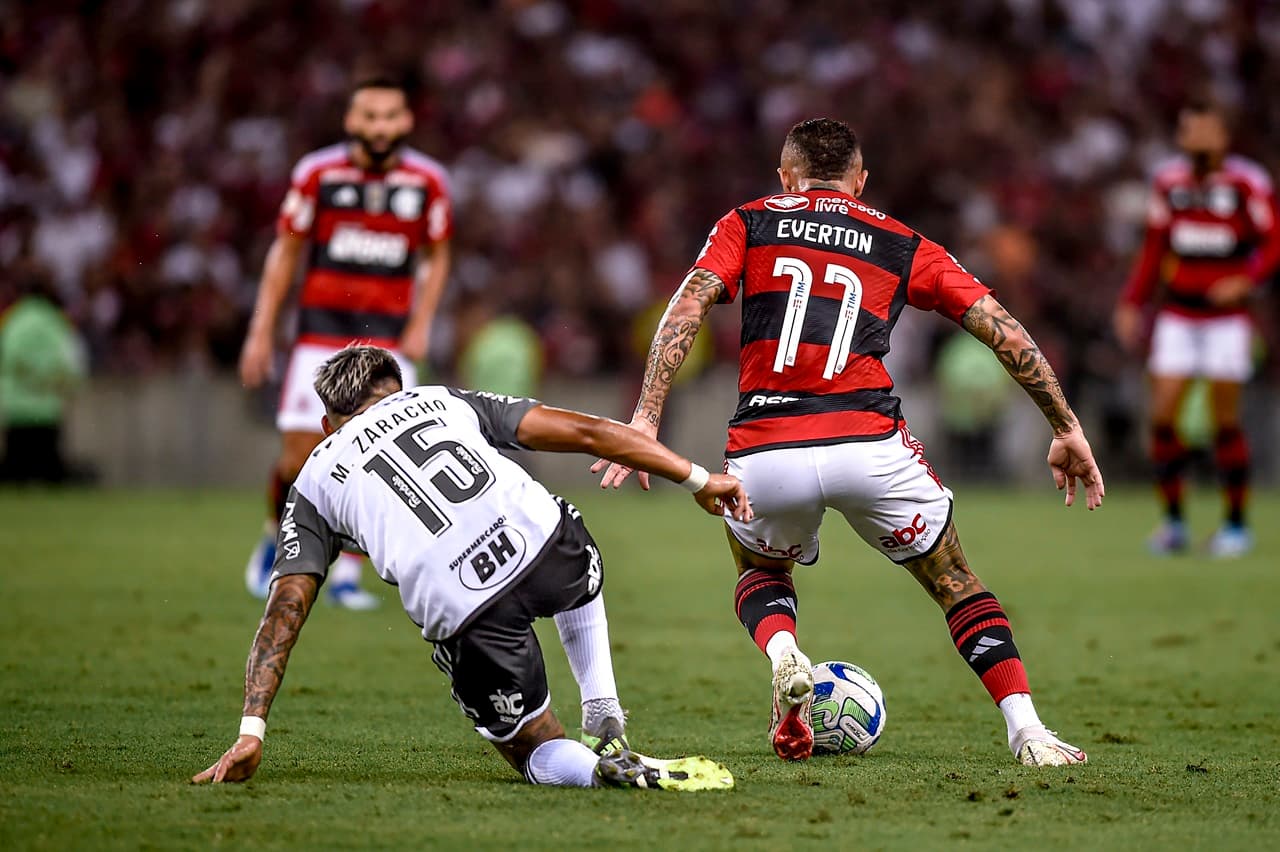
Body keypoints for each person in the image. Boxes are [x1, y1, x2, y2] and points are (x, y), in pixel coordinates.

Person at [594, 118, 1105, 767]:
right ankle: (1029, 731)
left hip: (766, 448)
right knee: (955, 581)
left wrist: (645, 416)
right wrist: (1065, 425)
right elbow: (999, 328)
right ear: (860, 182)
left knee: (761, 570)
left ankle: (784, 655)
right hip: (869, 445)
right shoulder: (898, 239)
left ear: (786, 176)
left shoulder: (748, 221)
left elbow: (689, 305)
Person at [194, 345, 746, 790]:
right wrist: (697, 478)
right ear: (397, 392)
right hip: (545, 548)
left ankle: (594, 766)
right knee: (570, 531)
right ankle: (603, 708)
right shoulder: (440, 400)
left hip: (462, 605)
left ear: (326, 423)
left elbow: (286, 606)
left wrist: (251, 729)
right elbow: (587, 433)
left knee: (532, 749)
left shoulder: (313, 478)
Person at [238, 76, 454, 608]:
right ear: (352, 121)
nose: (379, 127)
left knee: (382, 456)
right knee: (297, 458)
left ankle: (348, 578)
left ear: (405, 122)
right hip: (320, 333)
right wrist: (260, 331)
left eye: (389, 117)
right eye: (369, 116)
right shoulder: (318, 174)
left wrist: (424, 320)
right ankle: (275, 536)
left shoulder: (428, 181)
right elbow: (285, 251)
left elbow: (438, 255)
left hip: (388, 340)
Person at [1114, 98, 1280, 558]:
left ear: (1223, 136)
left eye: (1203, 129)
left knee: (1225, 421)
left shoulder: (1248, 182)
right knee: (1162, 416)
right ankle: (1173, 524)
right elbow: (1153, 250)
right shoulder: (1169, 182)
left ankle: (1236, 525)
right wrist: (1131, 302)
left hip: (1227, 321)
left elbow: (1273, 243)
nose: (1194, 138)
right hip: (1178, 316)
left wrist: (1246, 280)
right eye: (1188, 130)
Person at [0, 266, 87, 484]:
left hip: (17, 407)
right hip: (48, 407)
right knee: (50, 475)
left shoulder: (13, 321)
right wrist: (66, 387)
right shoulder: (56, 322)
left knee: (15, 474)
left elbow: (9, 358)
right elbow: (72, 361)